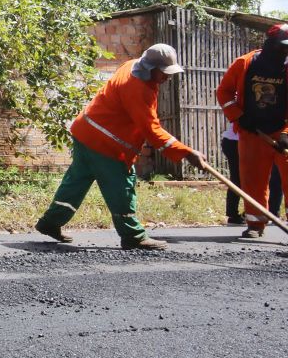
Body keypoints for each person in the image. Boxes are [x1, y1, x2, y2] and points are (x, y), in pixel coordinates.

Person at [36, 44, 205, 250]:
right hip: (107, 144)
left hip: (86, 132)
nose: (167, 77)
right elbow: (151, 130)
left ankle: (50, 223)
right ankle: (133, 235)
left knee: (76, 182)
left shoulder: (132, 65)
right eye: (164, 73)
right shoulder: (139, 89)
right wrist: (186, 153)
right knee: (121, 187)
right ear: (150, 68)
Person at [217, 23, 288, 238]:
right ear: (269, 43)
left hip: (281, 132)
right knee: (253, 180)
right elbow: (224, 92)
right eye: (282, 47)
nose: (285, 51)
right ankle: (255, 226)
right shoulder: (245, 64)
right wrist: (239, 117)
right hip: (252, 132)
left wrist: (286, 133)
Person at [219, 122, 283, 225]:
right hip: (239, 141)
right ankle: (237, 215)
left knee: (246, 179)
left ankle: (257, 213)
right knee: (241, 179)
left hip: (249, 141)